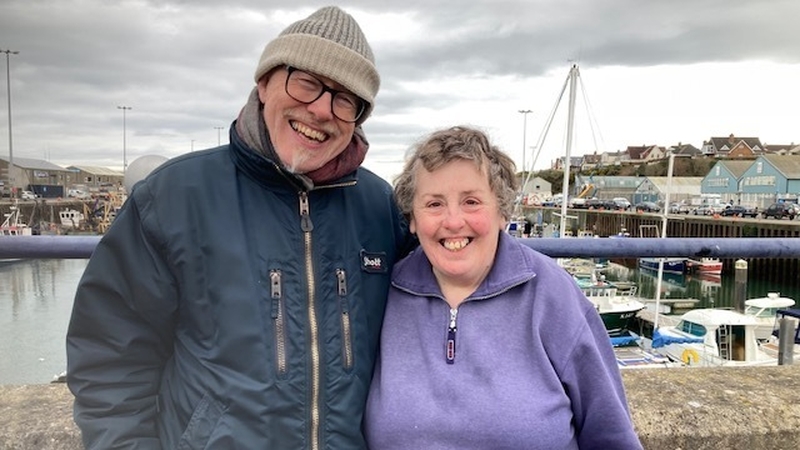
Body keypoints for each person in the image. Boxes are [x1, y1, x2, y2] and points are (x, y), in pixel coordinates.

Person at [66, 6, 410, 449]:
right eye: (306, 82)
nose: (322, 110)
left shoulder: (380, 205)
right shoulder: (173, 196)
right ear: (265, 83)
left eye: (346, 99)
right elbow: (109, 358)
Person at [364, 126, 642, 449]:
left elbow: (612, 437)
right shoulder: (384, 295)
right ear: (412, 218)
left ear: (502, 211)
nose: (453, 221)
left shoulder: (553, 295)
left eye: (471, 201)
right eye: (434, 204)